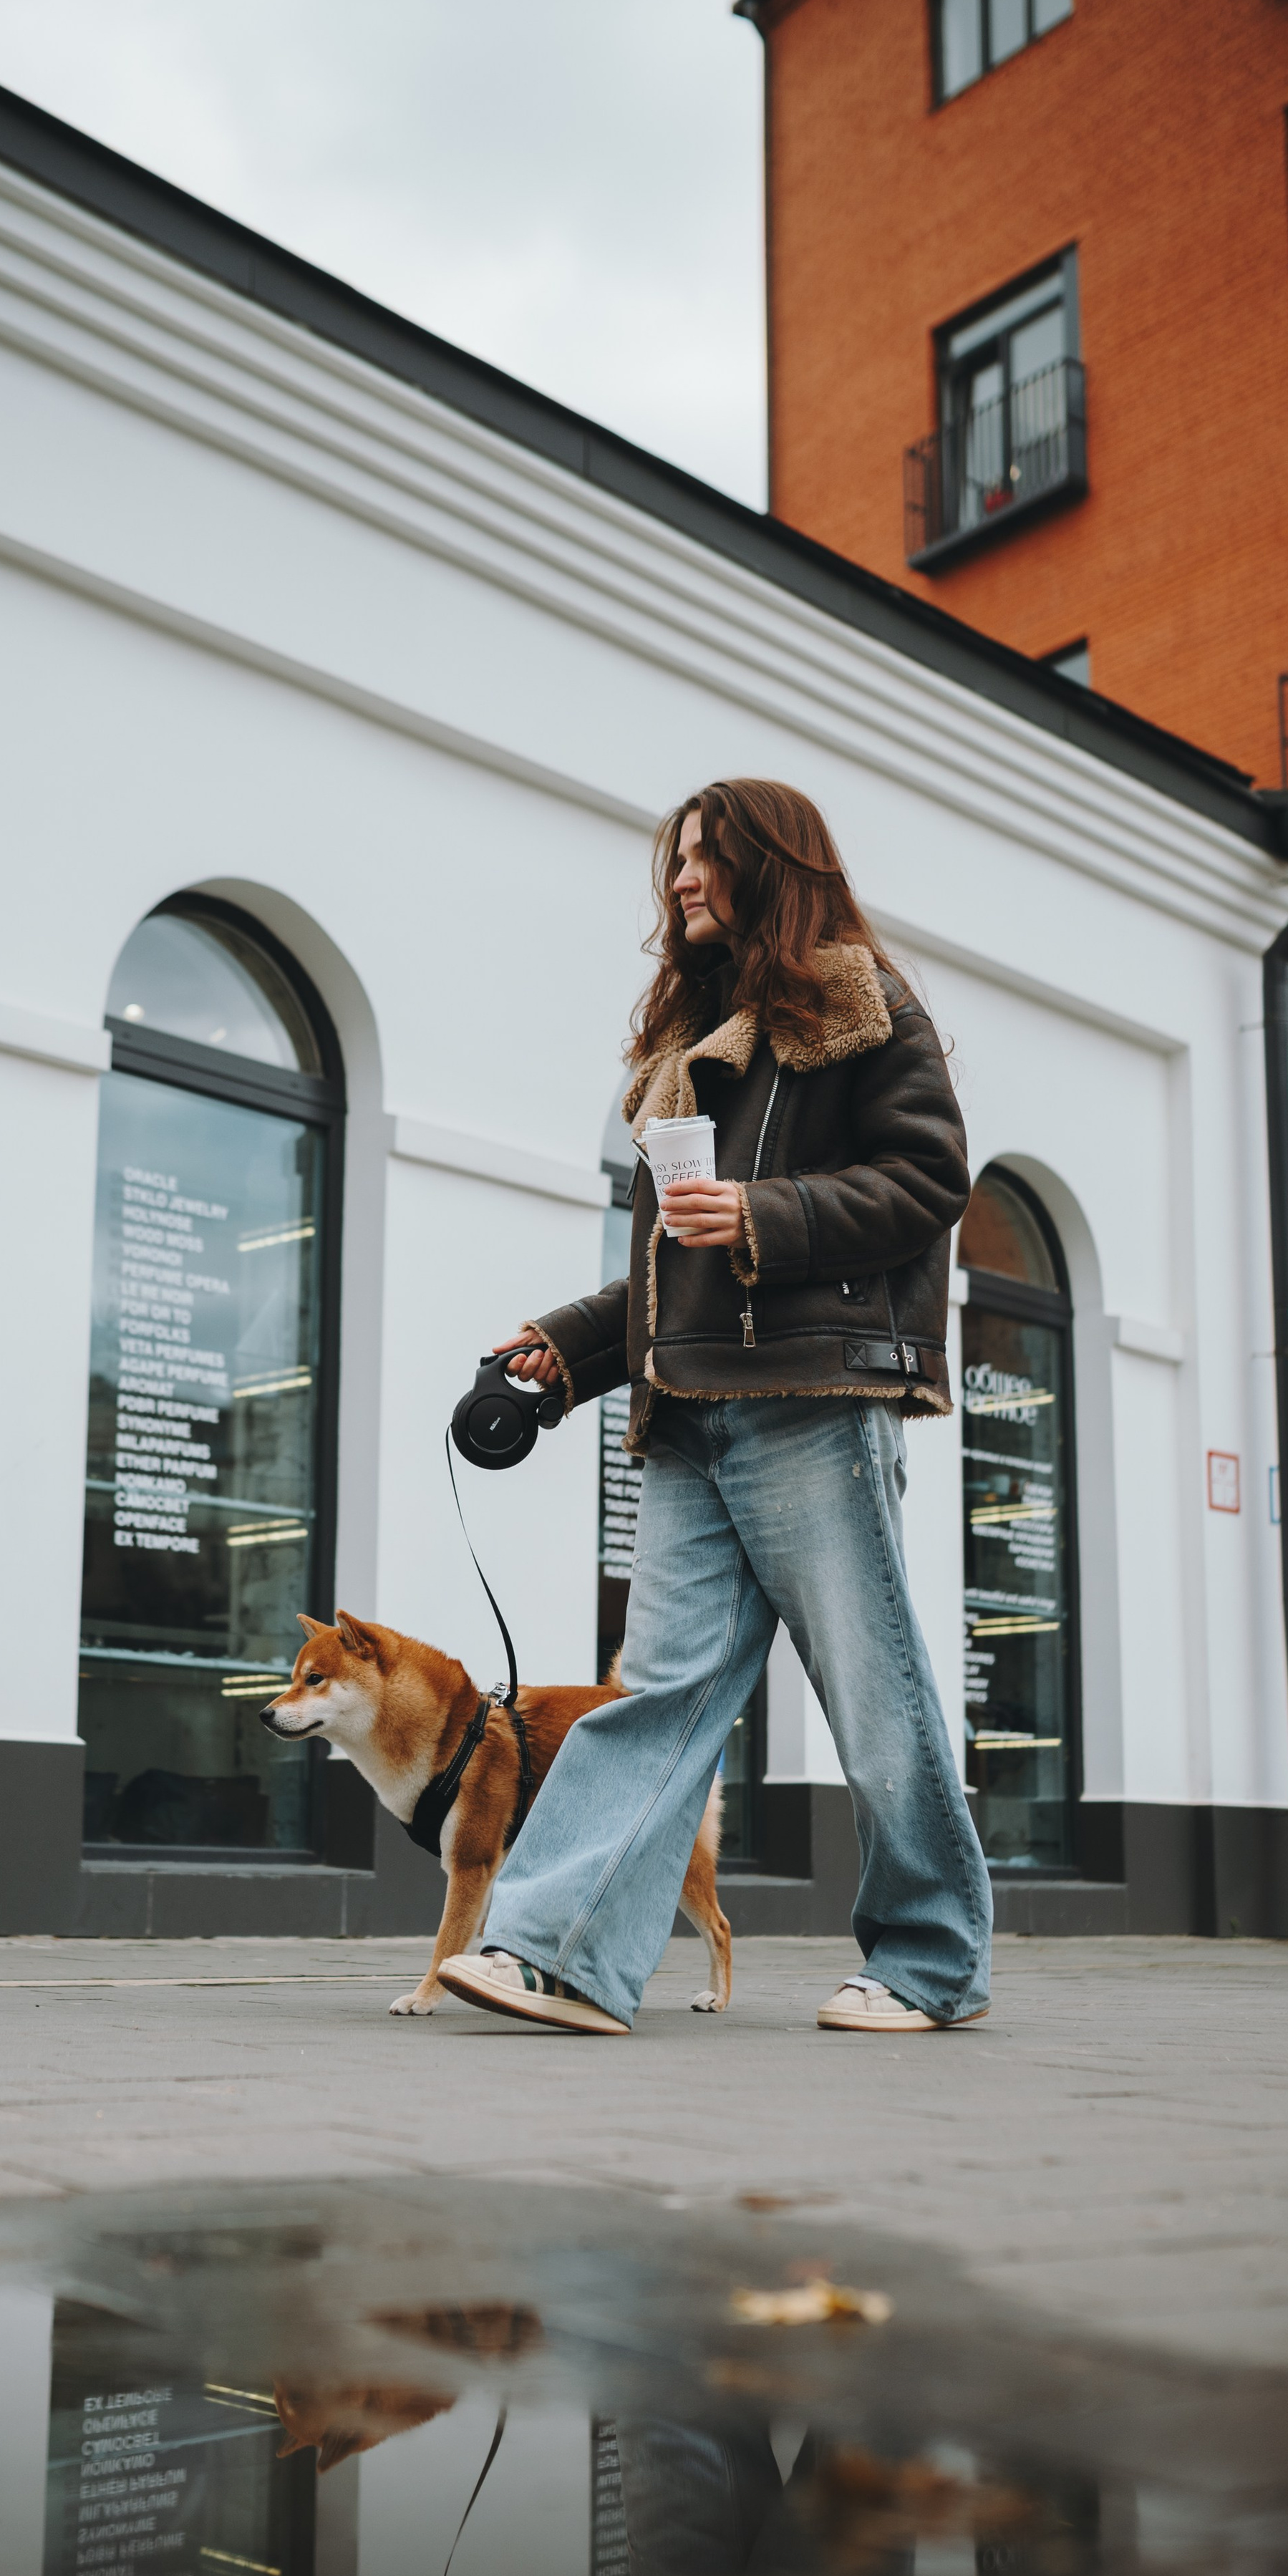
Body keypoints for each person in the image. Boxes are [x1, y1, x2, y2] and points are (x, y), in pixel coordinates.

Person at [437, 778, 992, 2039]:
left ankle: (930, 1961)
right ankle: (561, 1952)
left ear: (774, 865)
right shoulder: (698, 1049)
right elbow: (673, 1272)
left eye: (707, 858)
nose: (682, 879)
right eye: (676, 861)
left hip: (811, 1399)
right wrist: (568, 1349)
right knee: (657, 1694)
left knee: (873, 1688)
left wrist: (765, 1215)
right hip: (692, 1414)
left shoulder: (863, 1002)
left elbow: (931, 1177)